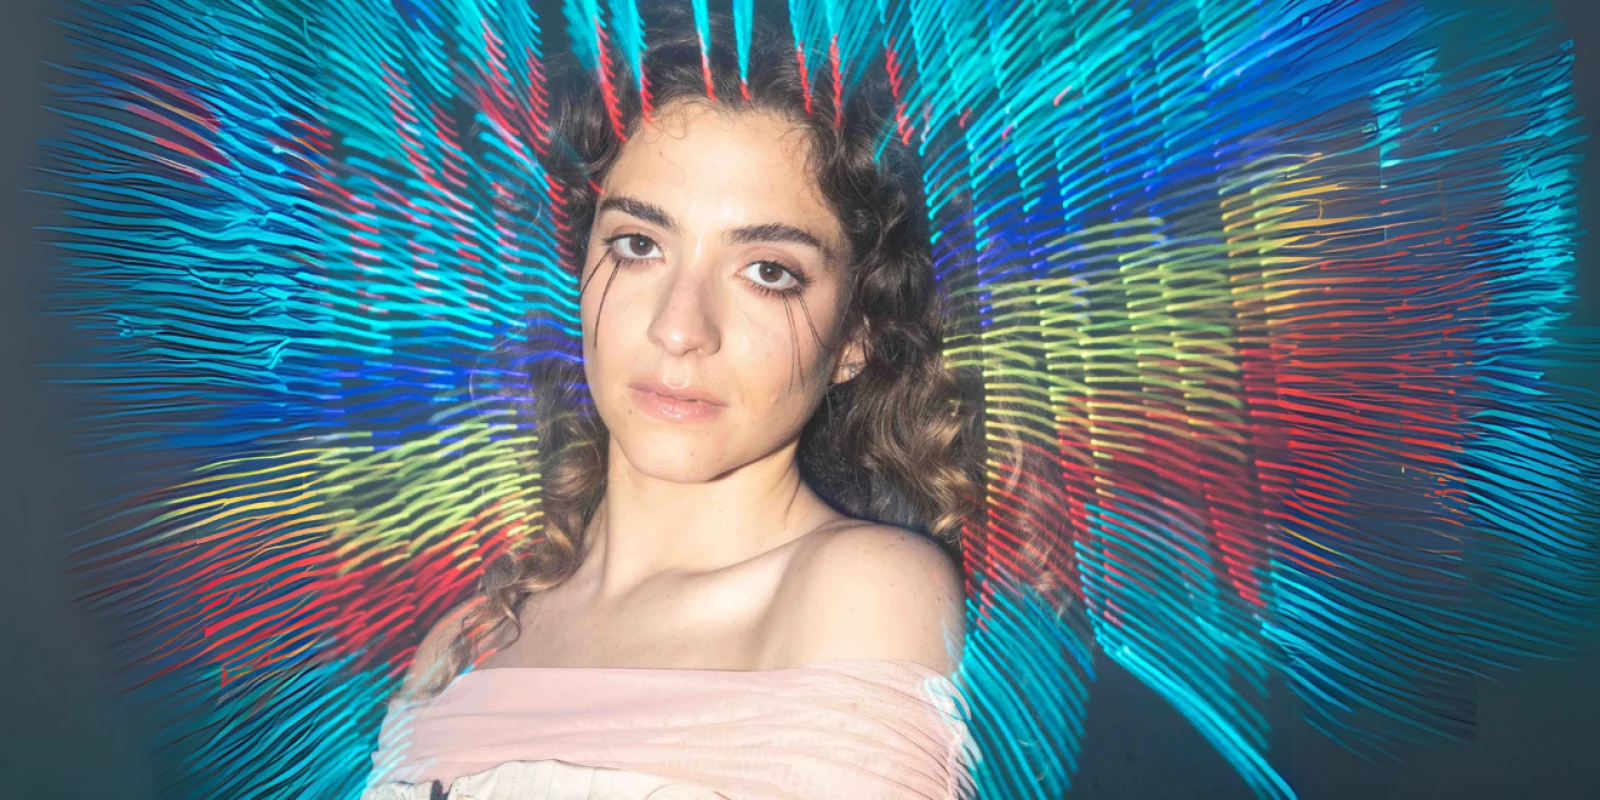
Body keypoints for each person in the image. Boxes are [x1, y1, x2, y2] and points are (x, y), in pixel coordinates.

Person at [362, 9, 984, 799]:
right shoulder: (466, 640)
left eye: (767, 272)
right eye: (639, 246)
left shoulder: (865, 593)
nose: (680, 328)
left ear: (854, 336)